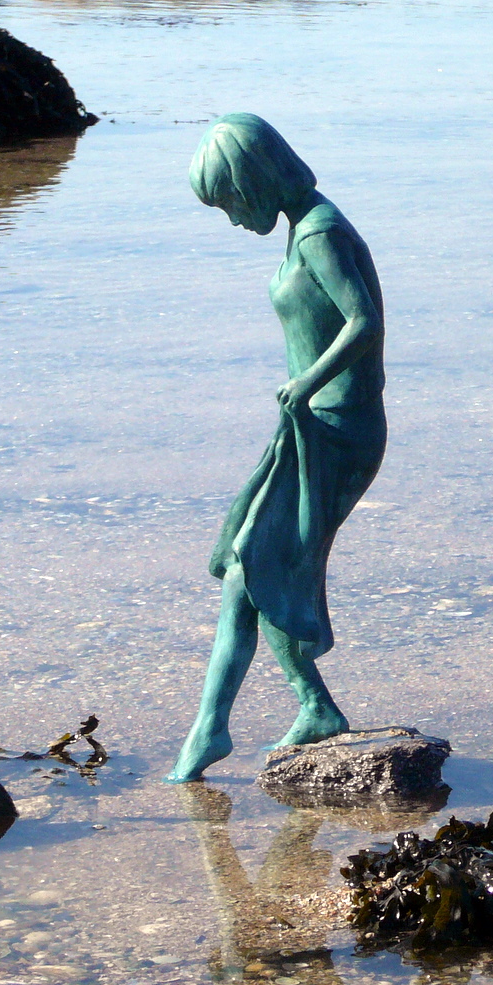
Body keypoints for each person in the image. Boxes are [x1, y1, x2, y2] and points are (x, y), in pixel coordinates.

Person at [167, 113, 386, 783]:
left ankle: (282, 715)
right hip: (306, 427)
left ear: (255, 179)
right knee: (245, 566)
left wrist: (306, 381)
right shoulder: (304, 228)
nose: (234, 219)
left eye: (231, 202)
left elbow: (365, 323)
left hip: (338, 429)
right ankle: (226, 727)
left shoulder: (320, 233)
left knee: (261, 567)